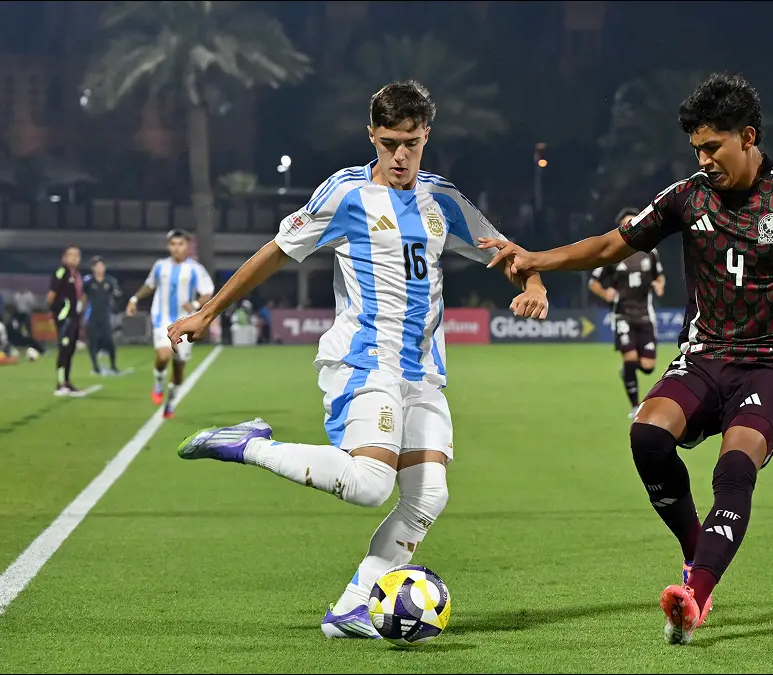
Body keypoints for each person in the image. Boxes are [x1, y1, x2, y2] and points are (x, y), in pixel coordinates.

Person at [477, 73, 773, 645]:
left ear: (748, 137)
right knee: (647, 436)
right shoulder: (687, 196)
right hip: (703, 355)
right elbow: (613, 245)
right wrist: (536, 259)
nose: (703, 159)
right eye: (696, 148)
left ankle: (694, 594)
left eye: (713, 147)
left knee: (735, 467)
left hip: (771, 362)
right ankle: (697, 549)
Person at [164, 81, 550, 640]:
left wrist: (533, 281)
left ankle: (349, 609)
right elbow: (276, 253)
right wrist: (207, 311)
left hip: (423, 372)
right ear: (372, 135)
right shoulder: (344, 194)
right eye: (389, 143)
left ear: (426, 136)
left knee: (429, 494)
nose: (400, 156)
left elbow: (508, 254)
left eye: (411, 144)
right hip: (364, 361)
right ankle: (249, 445)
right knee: (371, 485)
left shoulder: (443, 200)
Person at [126, 230, 215, 418]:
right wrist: (134, 299)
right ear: (168, 246)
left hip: (186, 323)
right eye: (173, 244)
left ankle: (170, 403)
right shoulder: (160, 266)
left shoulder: (195, 269)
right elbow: (149, 285)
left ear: (187, 246)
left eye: (180, 244)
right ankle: (159, 382)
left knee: (179, 366)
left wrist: (196, 304)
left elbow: (208, 291)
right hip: (162, 320)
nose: (177, 248)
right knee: (163, 356)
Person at [589, 207, 667, 417]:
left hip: (645, 315)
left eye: (634, 222)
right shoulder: (613, 254)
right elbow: (593, 282)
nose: (631, 226)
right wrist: (605, 293)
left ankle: (627, 371)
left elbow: (659, 276)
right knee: (630, 359)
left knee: (648, 367)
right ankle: (634, 406)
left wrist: (659, 284)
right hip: (622, 315)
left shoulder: (651, 252)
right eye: (626, 223)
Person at [47, 245, 86, 396]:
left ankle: (67, 381)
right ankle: (60, 383)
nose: (75, 258)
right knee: (64, 349)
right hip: (64, 317)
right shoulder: (61, 273)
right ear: (64, 257)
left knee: (70, 349)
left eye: (78, 255)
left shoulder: (76, 275)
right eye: (72, 255)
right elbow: (51, 296)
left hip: (74, 317)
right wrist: (52, 315)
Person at [84, 256, 123, 375]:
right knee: (93, 342)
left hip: (105, 315)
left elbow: (117, 295)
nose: (100, 268)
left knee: (109, 341)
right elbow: (83, 297)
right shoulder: (88, 281)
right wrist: (81, 312)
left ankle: (113, 365)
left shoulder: (110, 281)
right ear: (93, 268)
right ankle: (95, 367)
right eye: (97, 266)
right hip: (92, 315)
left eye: (102, 266)